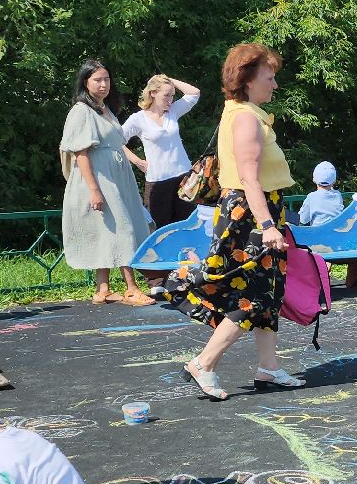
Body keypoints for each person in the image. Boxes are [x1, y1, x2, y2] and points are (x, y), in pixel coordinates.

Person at [159, 43, 308, 399]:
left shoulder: (247, 112)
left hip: (259, 210)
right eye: (269, 78)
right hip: (250, 214)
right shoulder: (244, 117)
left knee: (267, 292)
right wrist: (268, 226)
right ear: (247, 80)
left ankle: (269, 367)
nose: (274, 85)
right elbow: (248, 177)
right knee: (251, 297)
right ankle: (204, 363)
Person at [60, 58, 155, 306]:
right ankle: (132, 288)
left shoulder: (104, 109)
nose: (103, 84)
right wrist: (94, 190)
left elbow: (117, 144)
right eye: (97, 80)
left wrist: (137, 163)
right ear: (85, 82)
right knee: (124, 227)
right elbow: (81, 153)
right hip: (99, 179)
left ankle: (103, 289)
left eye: (106, 79)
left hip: (116, 178)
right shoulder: (82, 111)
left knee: (109, 229)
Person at [120, 73, 203, 232]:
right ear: (152, 93)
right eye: (166, 95)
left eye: (172, 95)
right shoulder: (138, 119)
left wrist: (169, 80)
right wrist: (137, 161)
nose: (170, 100)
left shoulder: (173, 111)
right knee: (158, 230)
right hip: (158, 181)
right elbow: (116, 141)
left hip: (183, 177)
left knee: (189, 226)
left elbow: (194, 93)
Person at [297, 161, 344, 226]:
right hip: (336, 233)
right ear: (334, 181)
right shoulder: (338, 195)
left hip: (318, 234)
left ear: (314, 180)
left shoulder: (312, 197)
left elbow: (303, 219)